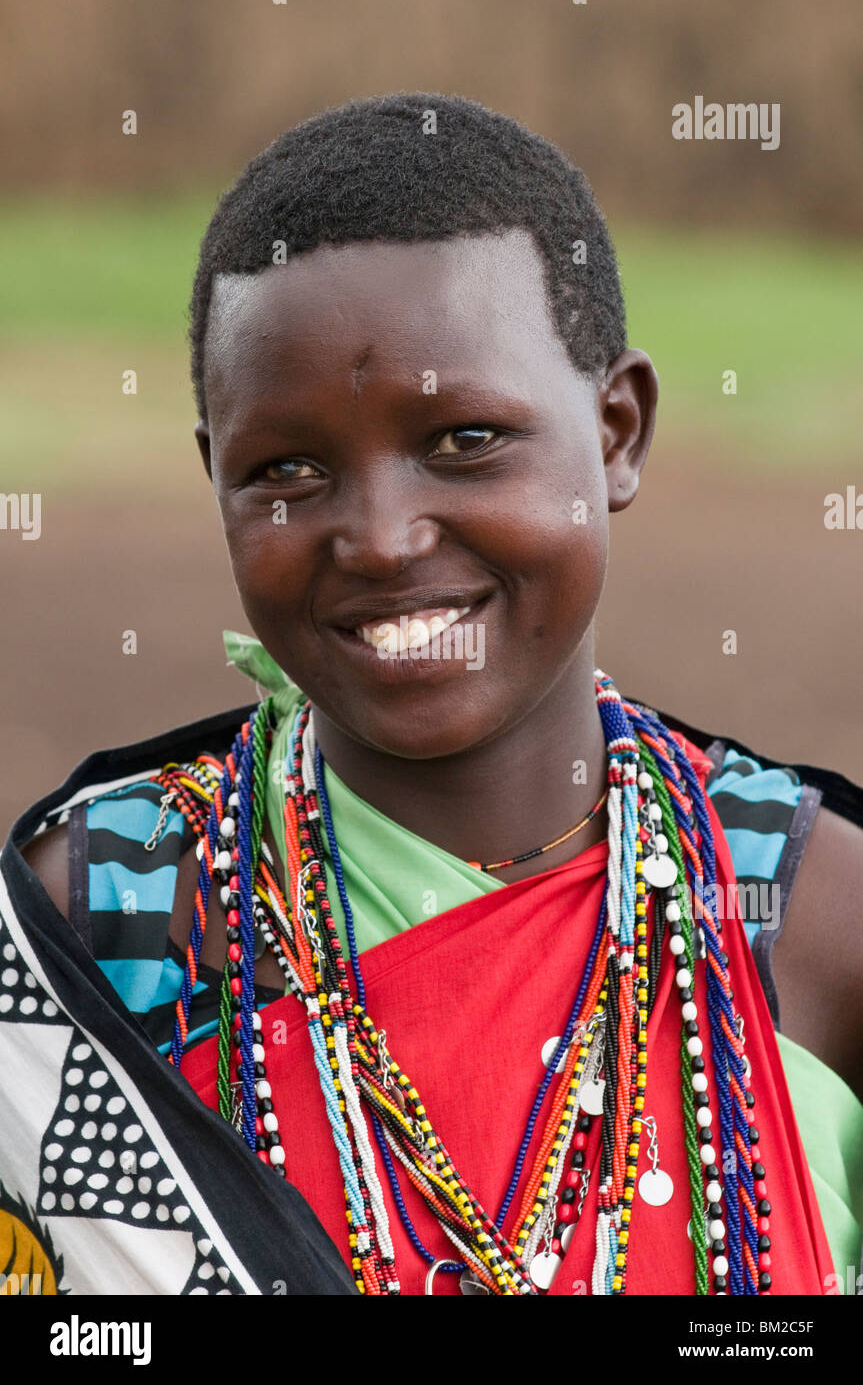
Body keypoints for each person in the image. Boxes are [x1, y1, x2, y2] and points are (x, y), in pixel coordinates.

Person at [2, 91, 861, 1297]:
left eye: (463, 438)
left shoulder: (809, 918)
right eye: (286, 469)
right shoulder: (105, 923)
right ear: (216, 482)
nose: (383, 538)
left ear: (615, 432)